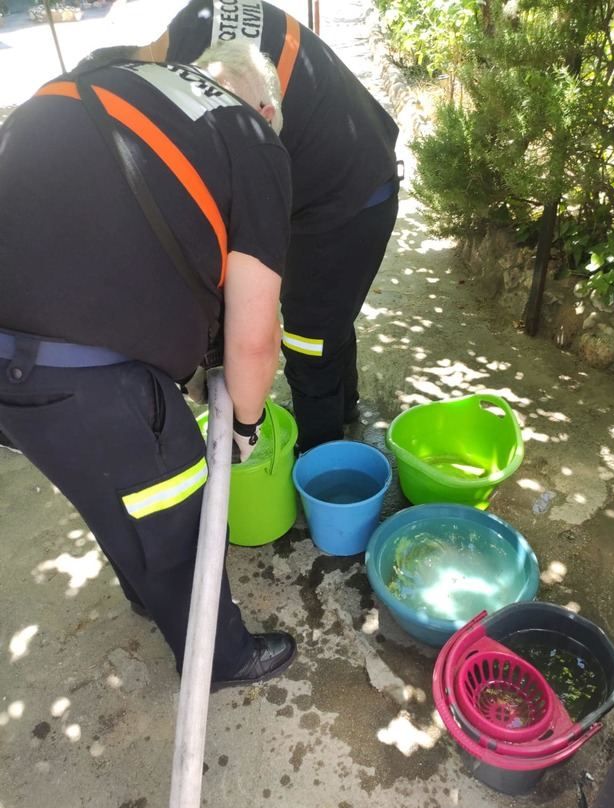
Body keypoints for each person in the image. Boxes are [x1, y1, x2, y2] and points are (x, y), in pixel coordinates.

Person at [0, 43, 296, 688]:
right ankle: (222, 658)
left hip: (14, 369)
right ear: (268, 107)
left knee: (105, 487)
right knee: (176, 515)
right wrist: (245, 424)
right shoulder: (255, 141)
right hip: (90, 380)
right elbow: (253, 338)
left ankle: (147, 594)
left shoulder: (105, 77)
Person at [120, 0, 401, 451]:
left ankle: (321, 458)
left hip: (344, 199)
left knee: (309, 342)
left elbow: (237, 242)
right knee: (327, 322)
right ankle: (343, 412)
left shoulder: (200, 101)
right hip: (358, 161)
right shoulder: (200, 22)